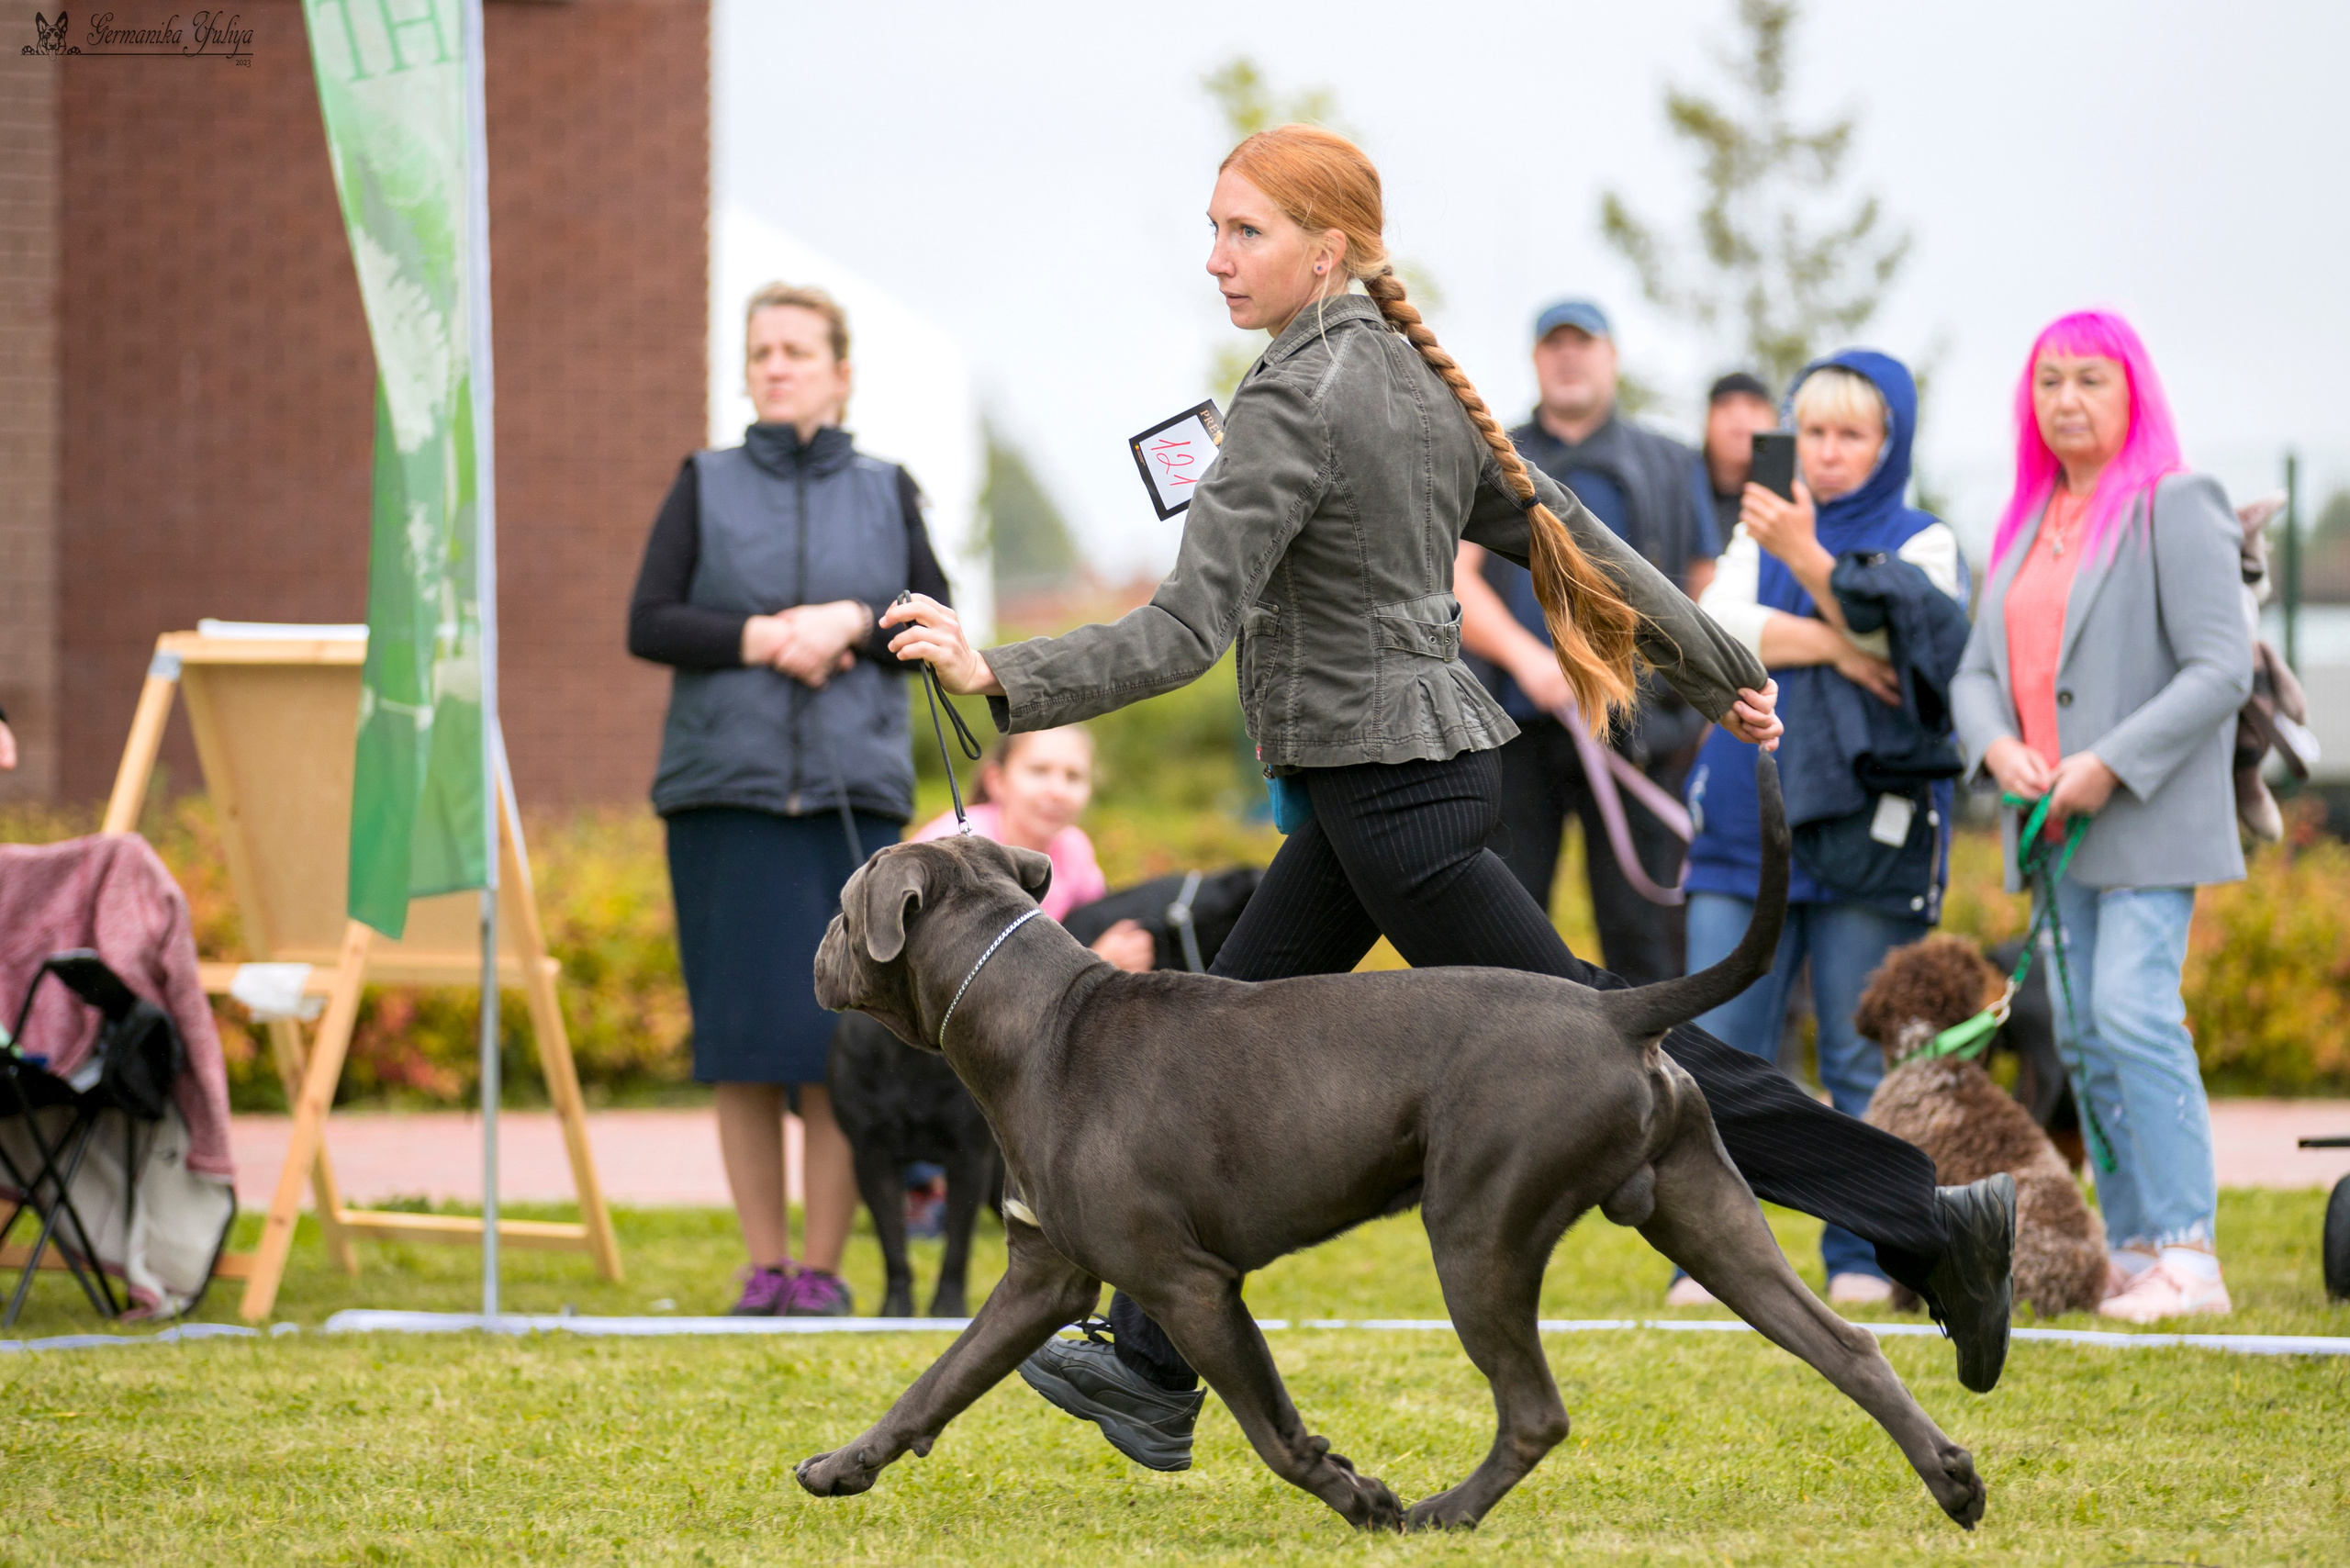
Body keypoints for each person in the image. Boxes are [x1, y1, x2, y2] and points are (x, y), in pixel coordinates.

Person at [883, 124, 2015, 1472]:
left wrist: (993, 667)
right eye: (1215, 227)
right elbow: (1573, 537)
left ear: (1331, 245)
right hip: (1396, 785)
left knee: (1621, 1050)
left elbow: (1189, 627)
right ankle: (1147, 1360)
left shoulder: (1297, 403)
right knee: (1198, 1054)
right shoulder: (1414, 379)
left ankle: (1926, 1218)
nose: (1217, 257)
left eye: (1245, 231)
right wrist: (1713, 665)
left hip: (1391, 803)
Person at [627, 283, 953, 1317]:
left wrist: (850, 620)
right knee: (745, 1045)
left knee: (836, 1046)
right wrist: (766, 636)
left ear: (840, 372)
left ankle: (821, 1269)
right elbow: (650, 620)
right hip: (725, 798)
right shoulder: (703, 482)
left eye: (797, 351)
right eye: (760, 351)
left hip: (850, 805)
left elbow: (933, 621)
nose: (775, 365)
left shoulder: (886, 488)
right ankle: (762, 1265)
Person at [1953, 310, 2250, 1321]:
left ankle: (2188, 1254)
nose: (2066, 399)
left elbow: (2223, 666)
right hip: (2047, 829)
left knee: (2130, 1011)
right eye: (2048, 382)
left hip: (2142, 816)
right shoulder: (2024, 518)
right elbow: (1975, 674)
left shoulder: (2175, 502)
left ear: (2132, 393)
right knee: (2078, 1036)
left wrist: (2107, 765)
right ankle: (2129, 1250)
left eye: (2090, 379)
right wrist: (1997, 747)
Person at [1682, 351, 1971, 1306]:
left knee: (1861, 1051)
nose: (1830, 452)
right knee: (1715, 1051)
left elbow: (1919, 635)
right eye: (1813, 432)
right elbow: (1712, 625)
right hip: (1738, 818)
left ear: (1891, 444)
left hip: (1866, 835)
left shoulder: (1924, 537)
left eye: (1853, 434)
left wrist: (1806, 563)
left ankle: (1861, 1258)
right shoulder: (1750, 523)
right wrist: (1840, 644)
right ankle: (1709, 1260)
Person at [1454, 300, 1718, 983]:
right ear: (1536, 359)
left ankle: (1661, 1083)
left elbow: (1703, 590)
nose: (1568, 356)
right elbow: (1455, 581)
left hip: (1639, 734)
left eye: (1584, 343)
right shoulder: (1491, 454)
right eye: (1554, 345)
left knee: (1645, 939)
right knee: (1505, 935)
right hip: (1516, 735)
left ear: (1612, 357)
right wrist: (1525, 657)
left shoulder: (1670, 461)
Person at [912, 727, 1157, 972]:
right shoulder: (958, 848)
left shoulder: (1073, 847)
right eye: (1039, 771)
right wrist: (1093, 963)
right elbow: (966, 972)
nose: (1058, 792)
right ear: (997, 780)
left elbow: (1097, 919)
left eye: (1073, 777)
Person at [1697, 371, 1781, 546]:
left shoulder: (1795, 500)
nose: (1740, 417)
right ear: (1707, 420)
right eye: (1725, 405)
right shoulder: (1680, 490)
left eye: (1754, 406)